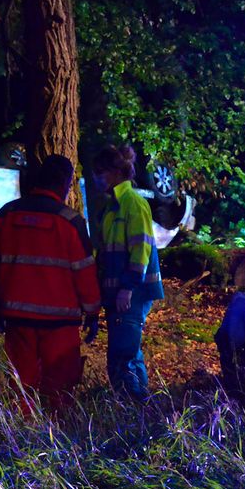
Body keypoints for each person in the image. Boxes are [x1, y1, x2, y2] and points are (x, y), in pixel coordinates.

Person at [0, 156, 101, 411]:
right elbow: (85, 272)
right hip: (59, 324)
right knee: (59, 392)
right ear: (63, 184)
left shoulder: (7, 214)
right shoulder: (70, 221)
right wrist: (93, 312)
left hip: (17, 319)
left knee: (20, 388)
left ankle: (21, 439)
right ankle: (56, 443)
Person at [93, 144, 165, 400]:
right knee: (129, 353)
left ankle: (132, 407)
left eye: (99, 172)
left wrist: (127, 287)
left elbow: (141, 249)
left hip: (131, 293)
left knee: (122, 356)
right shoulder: (112, 207)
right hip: (120, 293)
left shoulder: (132, 203)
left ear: (113, 172)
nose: (96, 178)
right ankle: (138, 412)